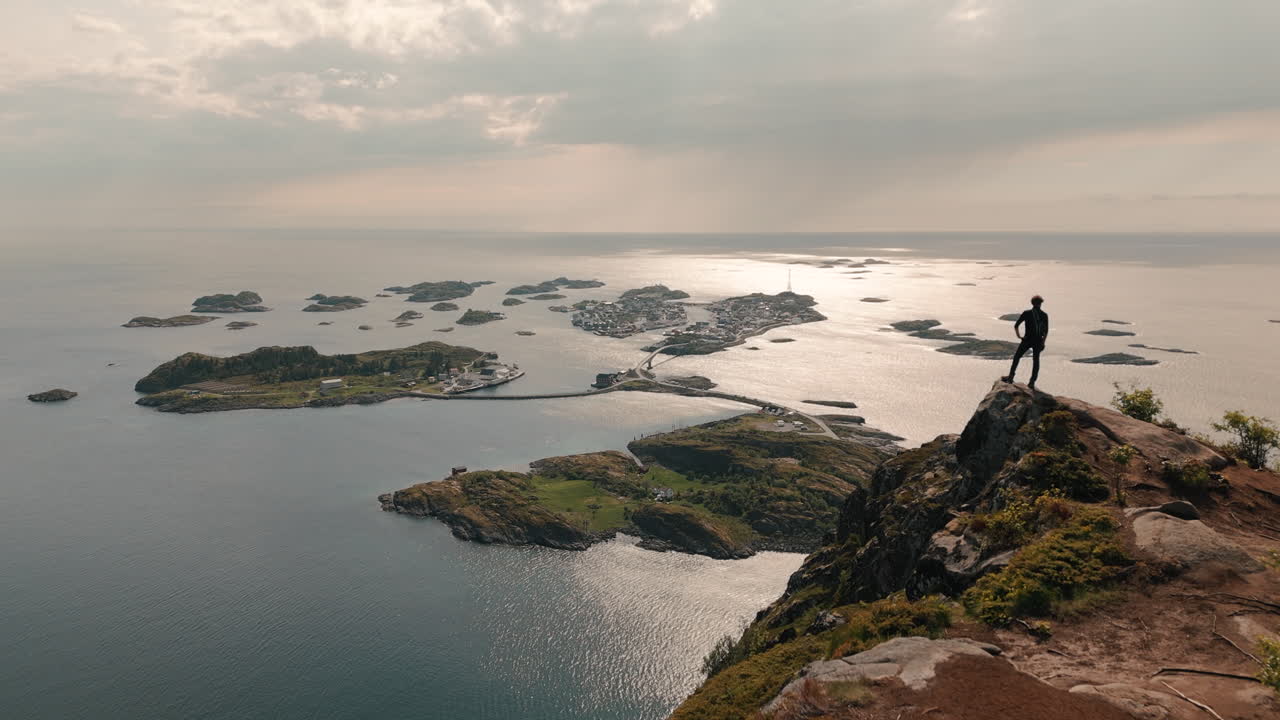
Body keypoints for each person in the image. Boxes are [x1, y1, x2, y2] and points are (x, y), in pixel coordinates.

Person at [1003, 295, 1049, 389]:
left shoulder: (1027, 313)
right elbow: (1046, 331)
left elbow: (1016, 325)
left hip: (1027, 339)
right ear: (1040, 304)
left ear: (1032, 303)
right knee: (1036, 361)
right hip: (1038, 341)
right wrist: (1043, 343)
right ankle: (1032, 382)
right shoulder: (1044, 315)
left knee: (1017, 357)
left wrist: (1019, 336)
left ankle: (1011, 376)